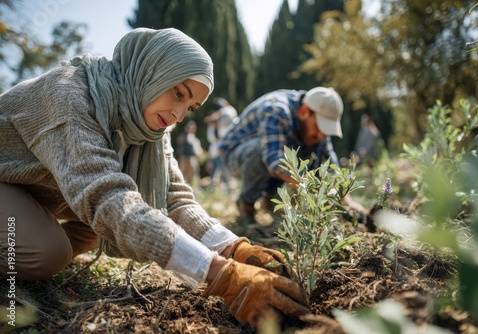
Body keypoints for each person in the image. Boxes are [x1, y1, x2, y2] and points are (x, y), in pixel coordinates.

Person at [0, 28, 309, 326]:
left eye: (190, 106)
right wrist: (219, 274)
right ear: (152, 70)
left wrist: (233, 248)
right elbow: (108, 200)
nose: (178, 113)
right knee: (49, 252)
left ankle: (22, 247)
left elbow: (173, 197)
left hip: (32, 191)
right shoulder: (68, 94)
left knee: (98, 230)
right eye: (178, 93)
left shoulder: (149, 122)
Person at [218, 87, 367, 223]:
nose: (322, 135)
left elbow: (329, 163)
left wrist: (347, 201)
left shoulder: (316, 129)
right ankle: (246, 204)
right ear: (304, 111)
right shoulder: (276, 110)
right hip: (235, 154)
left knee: (307, 151)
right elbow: (273, 159)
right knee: (262, 150)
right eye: (319, 127)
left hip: (271, 163)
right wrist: (311, 190)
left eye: (326, 131)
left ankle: (269, 199)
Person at [204, 98, 238, 190]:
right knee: (214, 169)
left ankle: (228, 186)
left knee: (224, 168)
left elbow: (225, 113)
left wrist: (216, 115)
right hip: (215, 150)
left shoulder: (228, 112)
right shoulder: (213, 127)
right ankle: (213, 188)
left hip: (225, 147)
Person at [176, 120, 203, 185]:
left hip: (191, 158)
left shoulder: (194, 138)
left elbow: (198, 150)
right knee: (182, 174)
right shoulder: (183, 136)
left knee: (192, 174)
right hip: (183, 158)